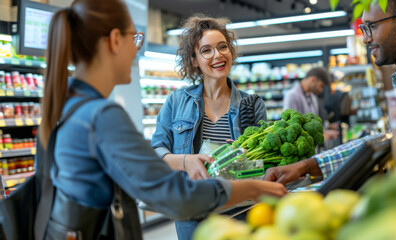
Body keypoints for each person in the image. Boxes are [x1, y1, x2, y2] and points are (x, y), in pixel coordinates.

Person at [39, 1, 287, 238]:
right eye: (134, 38)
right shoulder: (101, 117)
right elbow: (176, 197)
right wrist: (254, 188)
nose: (136, 49)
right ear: (116, 40)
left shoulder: (68, 107)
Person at [265, 0, 396, 184]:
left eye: (371, 27)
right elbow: (391, 141)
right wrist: (309, 166)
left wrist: (309, 165)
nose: (366, 39)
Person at [150, 15, 271, 240]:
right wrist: (187, 161)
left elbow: (266, 164)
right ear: (194, 60)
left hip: (241, 211)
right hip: (192, 213)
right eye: (206, 50)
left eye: (223, 47)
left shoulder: (252, 104)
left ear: (231, 52)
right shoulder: (177, 102)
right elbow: (156, 152)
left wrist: (245, 161)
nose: (218, 55)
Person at [283, 67, 339, 145]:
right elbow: (290, 128)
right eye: (321, 86)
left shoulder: (313, 96)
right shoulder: (292, 96)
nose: (321, 90)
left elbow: (313, 124)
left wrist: (325, 131)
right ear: (313, 79)